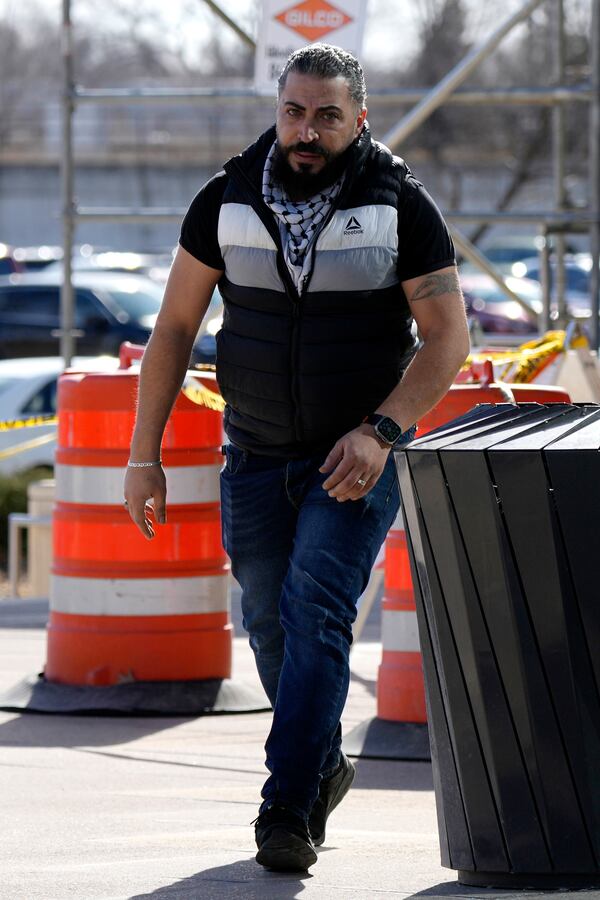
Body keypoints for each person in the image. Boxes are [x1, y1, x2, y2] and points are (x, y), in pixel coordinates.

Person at [124, 43, 470, 873]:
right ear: (277, 108)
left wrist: (382, 431)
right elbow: (173, 329)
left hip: (355, 457)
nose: (306, 130)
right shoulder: (226, 198)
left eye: (325, 115)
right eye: (293, 111)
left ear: (360, 117)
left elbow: (448, 336)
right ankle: (321, 765)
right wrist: (144, 455)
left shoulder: (401, 206)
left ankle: (285, 810)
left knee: (316, 613)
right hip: (253, 452)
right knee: (271, 624)